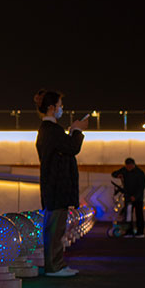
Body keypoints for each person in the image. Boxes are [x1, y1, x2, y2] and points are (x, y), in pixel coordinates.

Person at [34, 89, 87, 277]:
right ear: (51, 107)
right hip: (56, 186)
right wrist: (77, 130)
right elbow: (72, 147)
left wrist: (72, 132)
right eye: (59, 105)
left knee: (55, 228)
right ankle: (54, 267)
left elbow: (65, 148)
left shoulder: (48, 130)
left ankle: (57, 264)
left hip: (53, 186)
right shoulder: (52, 130)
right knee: (55, 229)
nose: (61, 109)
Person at [111, 157, 145, 237]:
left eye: (130, 166)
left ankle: (140, 232)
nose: (128, 168)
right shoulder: (124, 170)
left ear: (133, 165)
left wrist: (135, 196)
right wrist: (118, 175)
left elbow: (141, 187)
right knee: (128, 216)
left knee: (139, 215)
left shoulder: (140, 173)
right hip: (128, 197)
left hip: (138, 198)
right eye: (127, 166)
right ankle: (129, 231)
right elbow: (113, 174)